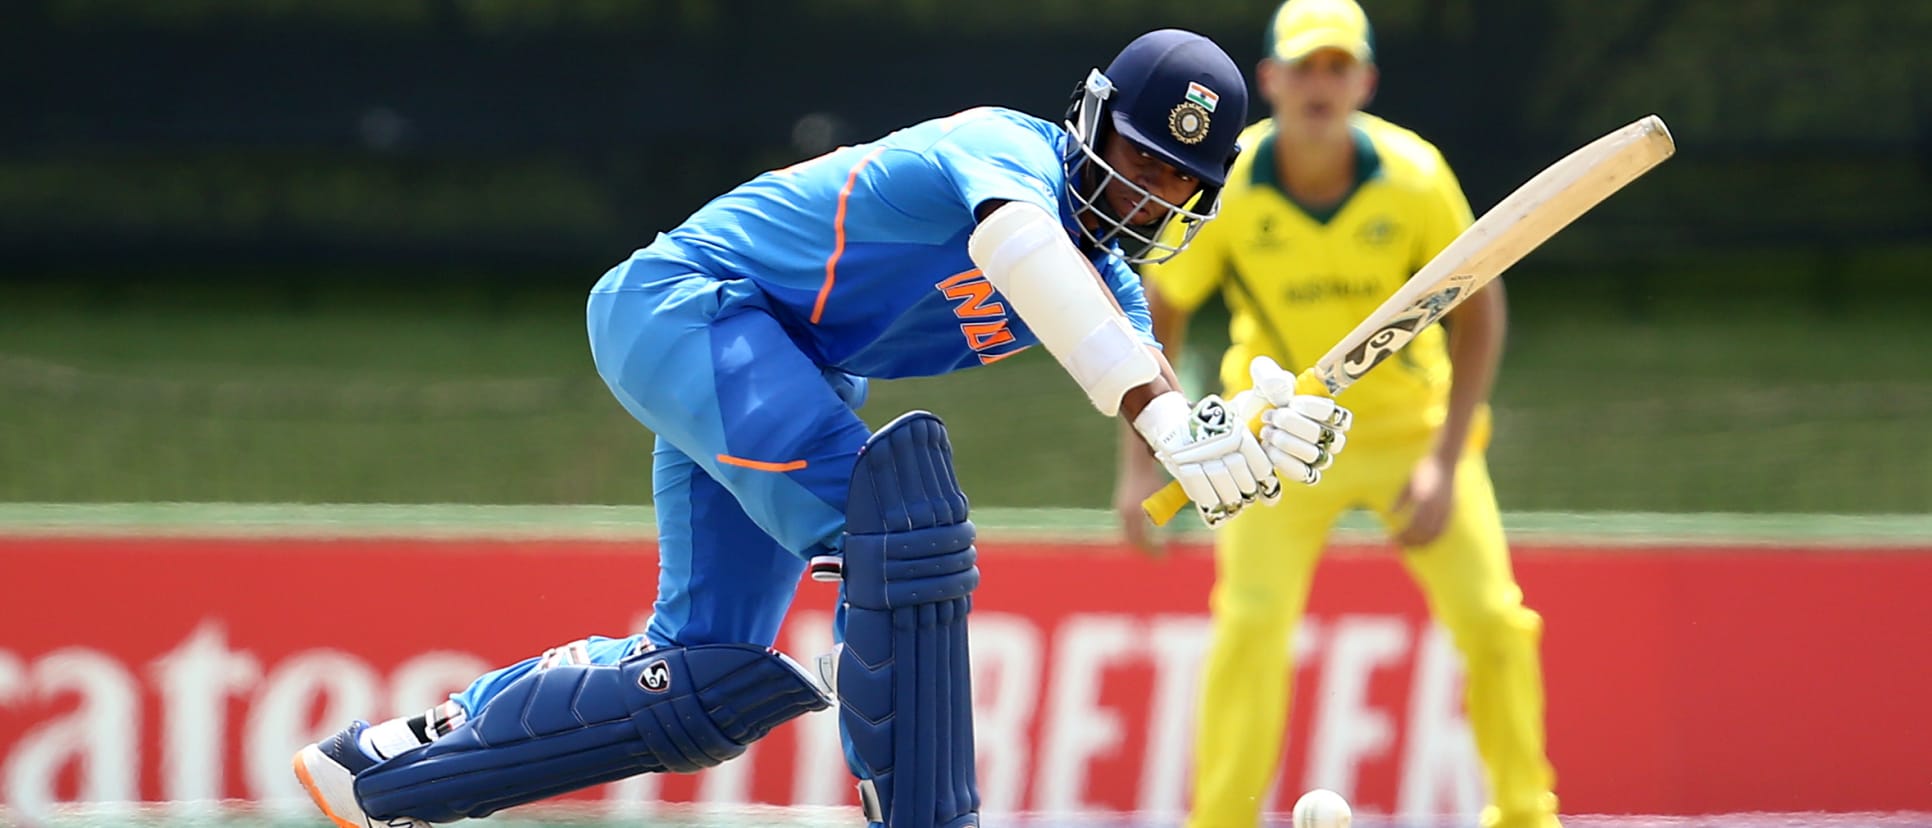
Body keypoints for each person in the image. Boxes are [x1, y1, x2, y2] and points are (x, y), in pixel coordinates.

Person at [293, 29, 1354, 828]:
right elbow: (1028, 258)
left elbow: (1147, 380)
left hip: (781, 368)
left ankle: (388, 771)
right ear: (1089, 118)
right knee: (899, 526)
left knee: (706, 682)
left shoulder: (1109, 291)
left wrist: (1244, 432)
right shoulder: (1002, 154)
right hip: (686, 306)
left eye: (1178, 183)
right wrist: (1168, 415)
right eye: (1137, 155)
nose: (1145, 192)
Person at [1112, 2, 1561, 827]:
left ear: (1365, 81)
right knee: (1248, 629)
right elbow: (1160, 306)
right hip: (1274, 439)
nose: (1320, 85)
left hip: (1408, 435)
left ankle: (1527, 816)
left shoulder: (1414, 175)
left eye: (1337, 67)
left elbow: (1479, 307)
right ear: (1272, 80)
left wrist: (1447, 455)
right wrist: (1144, 456)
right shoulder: (1232, 187)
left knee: (1496, 621)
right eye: (1304, 68)